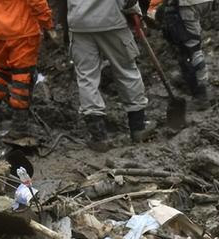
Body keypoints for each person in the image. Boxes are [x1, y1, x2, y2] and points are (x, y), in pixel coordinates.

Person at [66, 0, 156, 150]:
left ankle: (98, 136)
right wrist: (135, 11)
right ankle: (138, 127)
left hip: (79, 22)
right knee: (126, 71)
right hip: (111, 20)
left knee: (86, 77)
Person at [0, 0, 56, 139]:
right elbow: (36, 1)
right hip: (22, 31)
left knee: (1, 72)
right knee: (22, 77)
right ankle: (19, 126)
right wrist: (48, 23)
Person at [161, 0, 211, 108]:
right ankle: (189, 77)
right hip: (201, 3)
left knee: (191, 47)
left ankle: (201, 94)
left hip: (186, 4)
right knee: (183, 43)